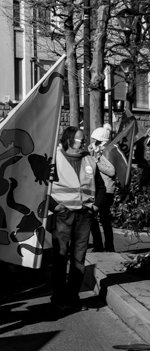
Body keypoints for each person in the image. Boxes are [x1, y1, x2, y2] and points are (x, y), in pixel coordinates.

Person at [48, 125, 97, 311]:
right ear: (68, 140)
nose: (84, 142)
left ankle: (72, 298)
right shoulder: (54, 159)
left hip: (84, 215)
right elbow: (42, 187)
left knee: (79, 258)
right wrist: (56, 207)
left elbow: (99, 185)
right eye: (80, 139)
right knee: (60, 257)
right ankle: (58, 298)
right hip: (63, 214)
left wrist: (95, 207)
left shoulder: (89, 160)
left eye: (84, 139)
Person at [89, 126, 116, 253]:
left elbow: (111, 171)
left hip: (106, 190)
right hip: (98, 189)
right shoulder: (97, 151)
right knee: (95, 218)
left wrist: (96, 162)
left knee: (103, 219)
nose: (92, 142)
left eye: (95, 140)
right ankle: (99, 245)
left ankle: (108, 246)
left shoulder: (108, 152)